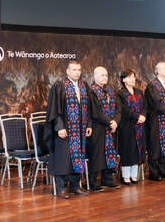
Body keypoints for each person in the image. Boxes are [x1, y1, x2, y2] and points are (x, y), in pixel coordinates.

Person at [46, 61, 92, 198]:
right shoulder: (60, 86)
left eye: (79, 70)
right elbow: (55, 109)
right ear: (67, 71)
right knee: (63, 159)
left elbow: (89, 108)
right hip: (65, 130)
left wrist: (89, 124)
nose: (77, 72)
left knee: (77, 158)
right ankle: (61, 188)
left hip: (80, 131)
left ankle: (75, 186)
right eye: (74, 70)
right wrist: (59, 127)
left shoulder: (84, 86)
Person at [87, 66, 120, 190]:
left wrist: (115, 121)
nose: (105, 77)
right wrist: (110, 121)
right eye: (102, 75)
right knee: (97, 155)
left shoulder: (111, 90)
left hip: (111, 128)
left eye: (106, 75)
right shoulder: (91, 91)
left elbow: (119, 109)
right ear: (95, 76)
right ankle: (93, 181)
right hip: (98, 128)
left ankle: (108, 179)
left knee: (110, 153)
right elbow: (96, 112)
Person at [116, 69, 148, 184]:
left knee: (137, 150)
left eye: (133, 77)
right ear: (123, 79)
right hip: (127, 126)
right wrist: (137, 116)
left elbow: (145, 106)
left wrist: (143, 116)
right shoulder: (120, 93)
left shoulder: (139, 92)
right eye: (129, 77)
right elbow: (124, 109)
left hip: (140, 126)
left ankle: (134, 176)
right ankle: (126, 176)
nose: (132, 79)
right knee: (128, 150)